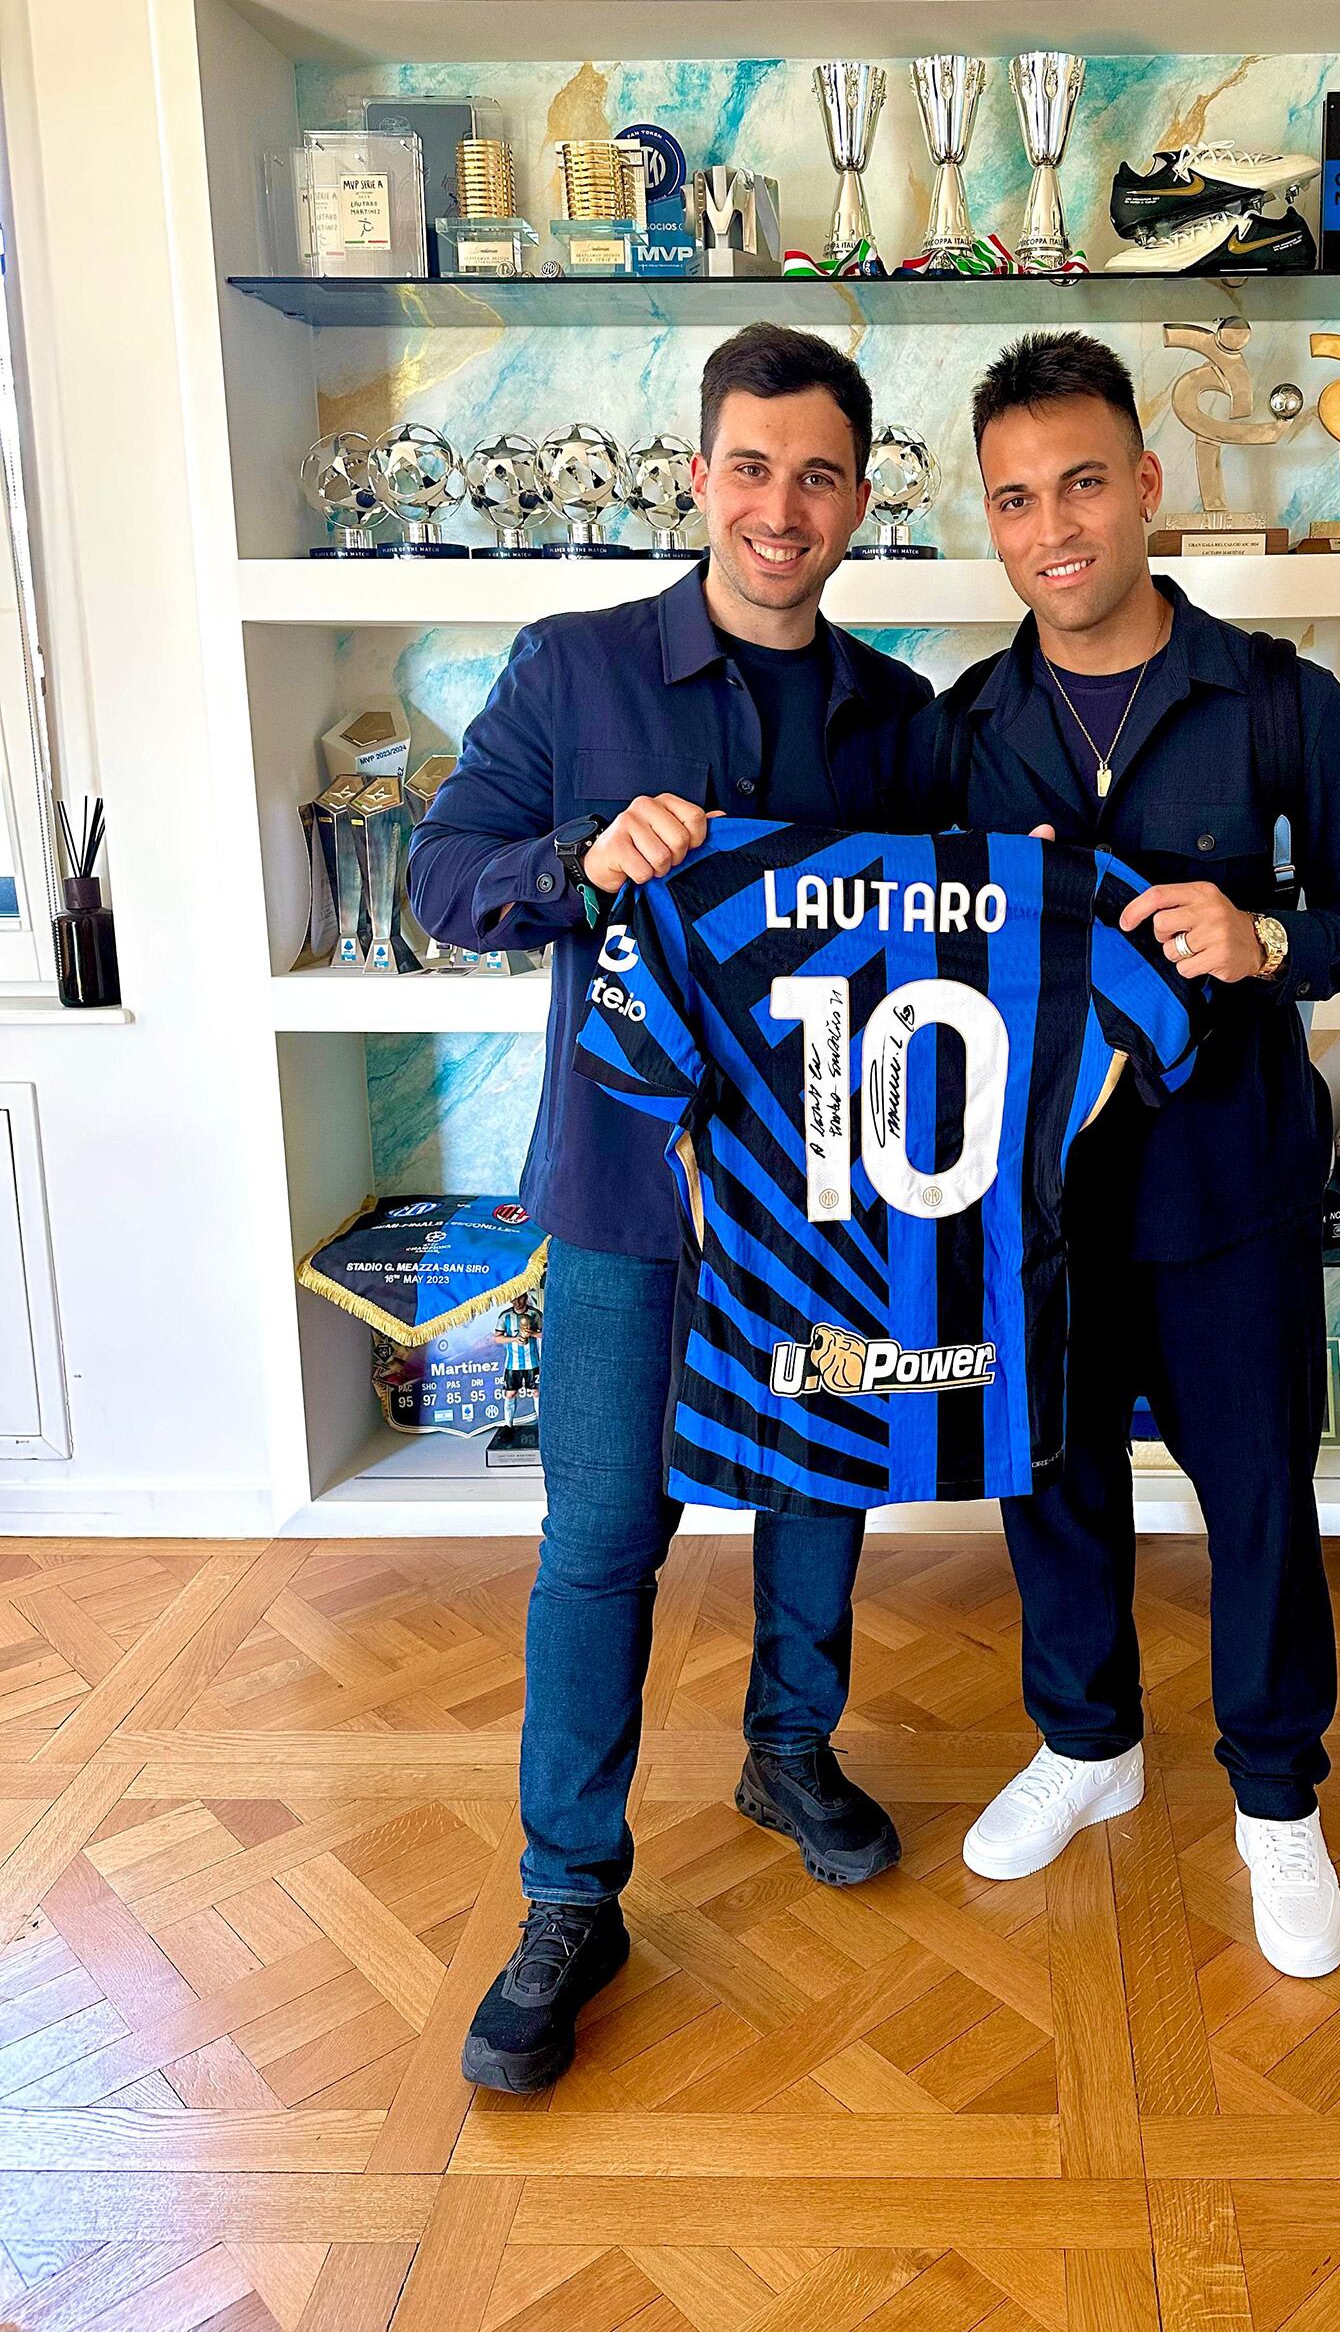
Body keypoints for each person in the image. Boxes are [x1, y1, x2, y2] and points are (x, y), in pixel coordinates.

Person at [408, 325, 929, 2090]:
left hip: (836, 1199)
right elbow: (441, 881)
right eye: (753, 467)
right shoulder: (572, 670)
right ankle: (569, 1893)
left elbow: (963, 935)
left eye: (819, 475)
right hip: (629, 1198)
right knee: (602, 1537)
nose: (783, 508)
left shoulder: (901, 718)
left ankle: (790, 1749)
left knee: (820, 1495)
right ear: (699, 475)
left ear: (859, 497)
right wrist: (577, 862)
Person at [913, 332, 1340, 1979]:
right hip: (1033, 1201)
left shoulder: (1278, 699)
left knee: (1258, 1494)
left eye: (1079, 484)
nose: (1051, 527)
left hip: (1230, 1191)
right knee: (1051, 1482)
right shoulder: (962, 729)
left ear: (1143, 485)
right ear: (990, 523)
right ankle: (1090, 1746)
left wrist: (1268, 938)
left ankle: (1277, 1798)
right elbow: (902, 949)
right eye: (1014, 500)